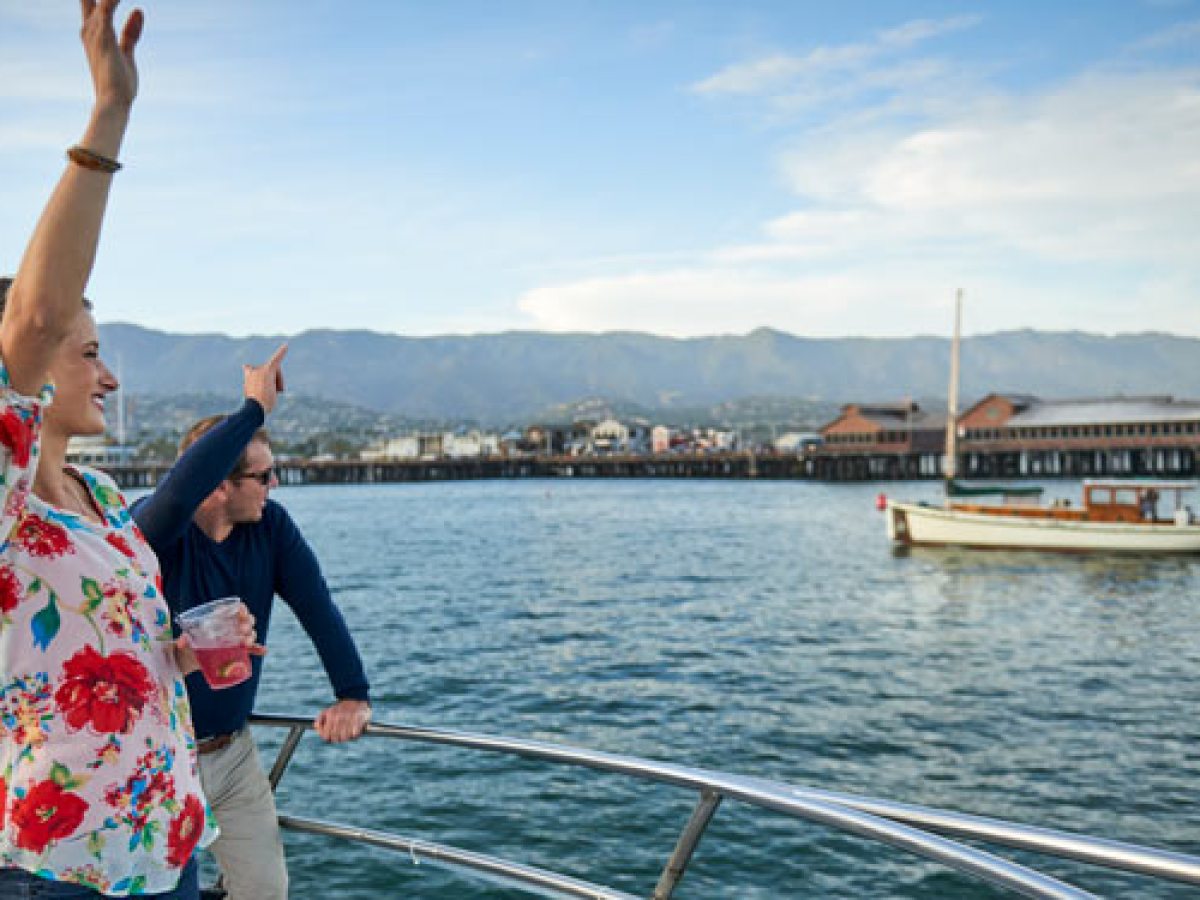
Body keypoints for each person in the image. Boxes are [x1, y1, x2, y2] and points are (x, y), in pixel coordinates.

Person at [0, 3, 254, 896]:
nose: (108, 379)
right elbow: (32, 319)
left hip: (167, 844)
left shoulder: (103, 497)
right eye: (92, 353)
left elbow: (97, 643)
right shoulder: (7, 501)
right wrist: (111, 111)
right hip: (59, 867)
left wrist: (183, 655)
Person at [130, 361, 372, 900]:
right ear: (217, 485)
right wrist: (253, 408)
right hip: (160, 759)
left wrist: (353, 694)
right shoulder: (151, 533)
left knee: (264, 889)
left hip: (234, 755)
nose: (275, 484)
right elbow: (174, 497)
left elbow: (318, 608)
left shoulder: (272, 526)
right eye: (263, 476)